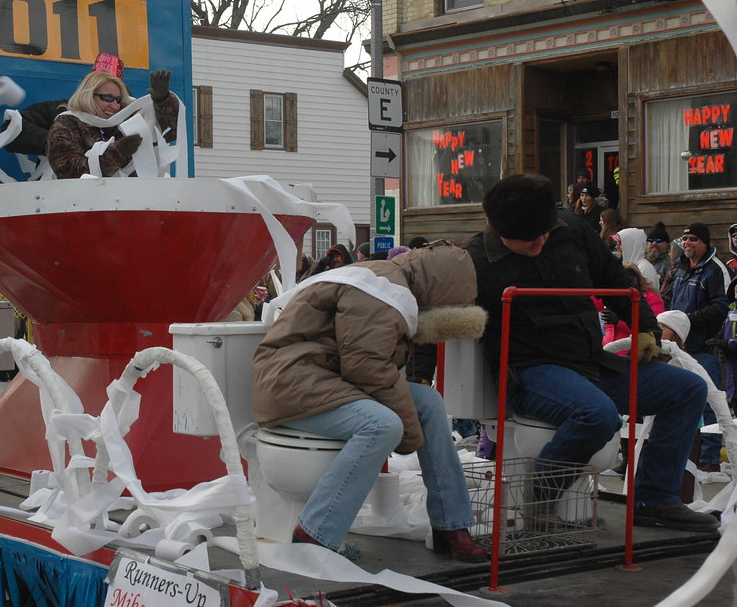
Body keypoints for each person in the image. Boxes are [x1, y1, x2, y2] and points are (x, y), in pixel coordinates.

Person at [462, 174, 716, 532]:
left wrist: (645, 327)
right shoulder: (472, 261)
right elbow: (441, 319)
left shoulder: (569, 229)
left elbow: (615, 280)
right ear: (498, 229)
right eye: (528, 239)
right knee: (595, 415)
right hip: (531, 370)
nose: (540, 242)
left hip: (589, 362)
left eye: (544, 233)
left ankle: (654, 499)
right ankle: (539, 500)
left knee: (687, 389)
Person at [251, 245, 487, 561]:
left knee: (428, 402)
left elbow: (363, 364)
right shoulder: (383, 290)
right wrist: (410, 435)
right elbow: (365, 365)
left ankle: (451, 526)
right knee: (382, 425)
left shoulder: (383, 280)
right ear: (444, 288)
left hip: (319, 377)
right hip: (291, 385)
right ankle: (314, 536)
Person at [661, 222, 731, 473]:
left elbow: (721, 307)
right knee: (677, 399)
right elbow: (667, 298)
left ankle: (710, 459)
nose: (687, 242)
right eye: (685, 238)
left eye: (693, 239)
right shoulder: (679, 267)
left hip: (705, 347)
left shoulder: (715, 269)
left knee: (710, 402)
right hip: (678, 347)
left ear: (705, 242)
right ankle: (681, 456)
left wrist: (688, 320)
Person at [44, 69, 179, 179]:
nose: (114, 106)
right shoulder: (66, 125)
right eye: (108, 98)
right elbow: (69, 172)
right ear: (88, 95)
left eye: (118, 100)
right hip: (83, 206)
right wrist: (117, 152)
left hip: (129, 203)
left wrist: (163, 102)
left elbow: (167, 133)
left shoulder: (125, 121)